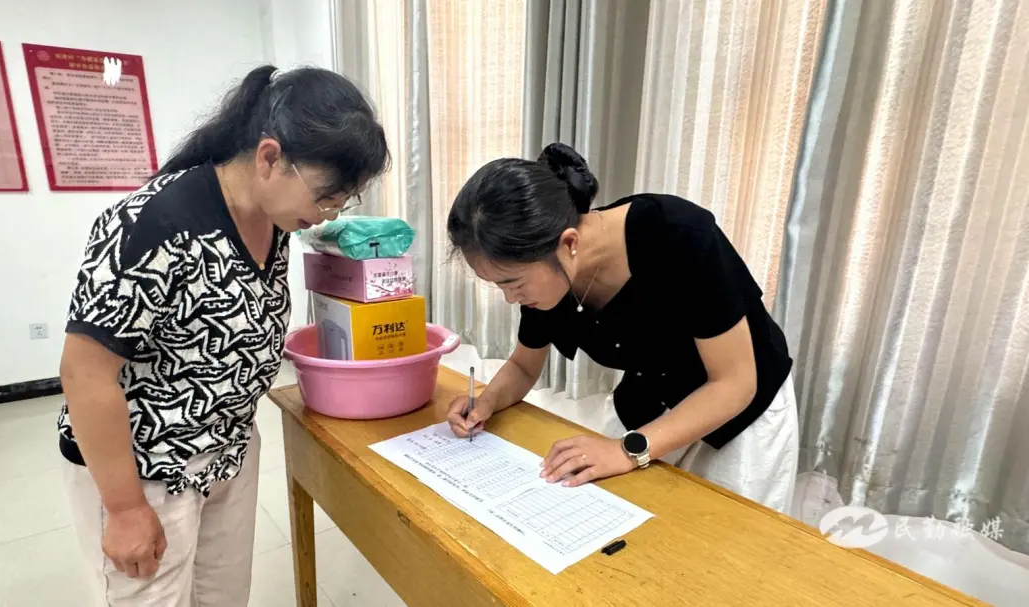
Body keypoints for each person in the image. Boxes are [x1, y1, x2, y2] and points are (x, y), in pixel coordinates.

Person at [58, 65, 388, 605]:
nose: (327, 214)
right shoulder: (152, 225)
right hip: (145, 468)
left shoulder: (275, 221)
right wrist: (124, 507)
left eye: (341, 202)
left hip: (228, 449)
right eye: (327, 197)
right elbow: (84, 373)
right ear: (269, 158)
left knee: (224, 596)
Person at [444, 143, 798, 513]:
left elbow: (734, 384)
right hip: (650, 394)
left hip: (741, 404)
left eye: (512, 283)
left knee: (725, 530)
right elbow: (523, 365)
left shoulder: (679, 235)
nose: (510, 298)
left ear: (569, 244)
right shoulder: (544, 271)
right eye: (498, 285)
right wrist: (486, 401)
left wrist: (627, 451)